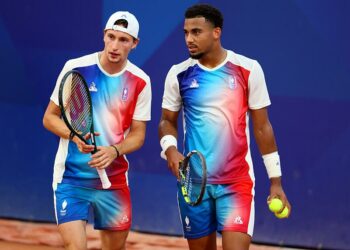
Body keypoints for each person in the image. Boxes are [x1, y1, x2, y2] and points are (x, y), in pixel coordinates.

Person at [158, 4, 291, 250]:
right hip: (194, 185)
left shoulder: (248, 69)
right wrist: (170, 149)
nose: (189, 39)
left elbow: (263, 128)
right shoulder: (178, 74)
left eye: (196, 32)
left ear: (216, 32)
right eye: (186, 33)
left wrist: (276, 181)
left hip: (237, 183)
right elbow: (167, 120)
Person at [43, 11, 151, 250]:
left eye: (123, 40)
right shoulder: (76, 68)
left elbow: (138, 135)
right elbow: (50, 118)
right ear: (103, 36)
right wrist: (74, 136)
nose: (115, 45)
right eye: (111, 37)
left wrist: (114, 150)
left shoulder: (140, 81)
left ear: (135, 44)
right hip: (71, 178)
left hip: (113, 180)